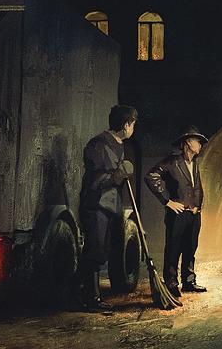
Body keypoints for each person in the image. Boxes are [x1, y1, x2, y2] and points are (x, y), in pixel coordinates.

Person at [77, 104, 138, 311]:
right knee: (95, 250)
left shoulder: (119, 144)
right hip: (97, 205)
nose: (133, 129)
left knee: (102, 250)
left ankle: (80, 292)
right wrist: (117, 175)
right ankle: (91, 298)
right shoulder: (98, 144)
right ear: (126, 124)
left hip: (111, 206)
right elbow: (94, 181)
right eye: (133, 124)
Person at [144, 125, 208, 298]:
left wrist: (198, 206)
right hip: (178, 214)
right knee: (173, 248)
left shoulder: (195, 163)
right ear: (188, 142)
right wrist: (167, 201)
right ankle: (171, 283)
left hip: (194, 214)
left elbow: (196, 187)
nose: (200, 144)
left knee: (190, 248)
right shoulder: (172, 162)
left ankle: (189, 281)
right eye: (197, 141)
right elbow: (151, 176)